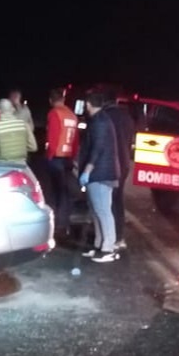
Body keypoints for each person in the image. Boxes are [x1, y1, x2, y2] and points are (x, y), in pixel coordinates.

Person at [77, 89, 121, 263]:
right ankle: (99, 245)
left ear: (88, 104)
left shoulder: (100, 122)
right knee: (97, 211)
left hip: (101, 174)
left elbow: (98, 148)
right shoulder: (98, 120)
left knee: (103, 210)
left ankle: (108, 248)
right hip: (100, 173)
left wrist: (87, 170)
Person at [101, 86, 136, 249]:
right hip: (124, 164)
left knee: (105, 201)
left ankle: (108, 238)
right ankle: (119, 237)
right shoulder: (127, 117)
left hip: (108, 164)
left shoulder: (104, 117)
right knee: (118, 200)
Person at [45, 87, 80, 239]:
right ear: (64, 99)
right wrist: (72, 157)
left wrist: (49, 155)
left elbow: (52, 137)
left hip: (57, 157)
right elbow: (76, 140)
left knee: (55, 193)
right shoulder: (72, 115)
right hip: (67, 158)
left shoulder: (54, 114)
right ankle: (64, 223)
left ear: (51, 100)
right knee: (65, 192)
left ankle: (56, 225)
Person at [0, 98, 36, 163]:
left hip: (2, 168)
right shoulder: (24, 125)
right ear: (13, 109)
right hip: (21, 167)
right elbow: (33, 147)